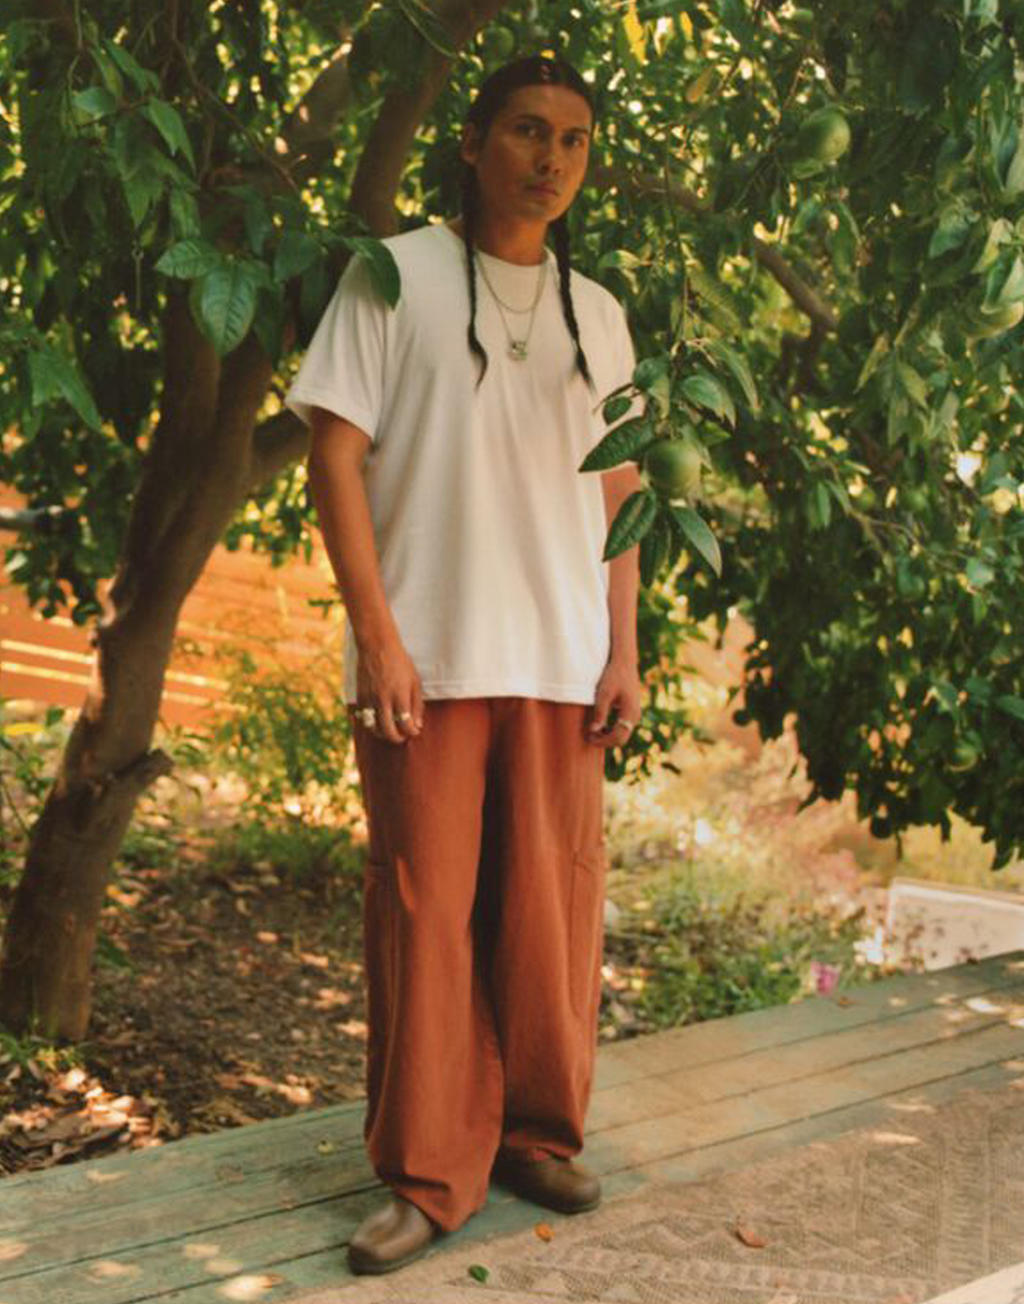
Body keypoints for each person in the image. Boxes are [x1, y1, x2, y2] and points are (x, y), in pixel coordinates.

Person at [285, 54, 643, 1276]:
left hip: (560, 655)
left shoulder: (600, 314)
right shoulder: (394, 275)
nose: (552, 158)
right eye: (529, 130)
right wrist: (378, 634)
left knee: (551, 913)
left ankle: (536, 1134)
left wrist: (624, 647)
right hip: (426, 654)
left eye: (575, 140)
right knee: (425, 913)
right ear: (475, 141)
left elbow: (623, 492)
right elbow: (335, 455)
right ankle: (427, 1171)